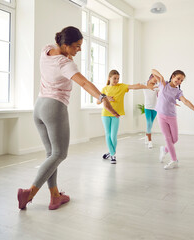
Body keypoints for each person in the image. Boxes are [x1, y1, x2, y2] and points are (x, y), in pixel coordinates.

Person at [17, 26, 119, 210]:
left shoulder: (46, 49)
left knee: (51, 154)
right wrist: (102, 98)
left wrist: (68, 54)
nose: (79, 49)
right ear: (65, 45)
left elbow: (62, 57)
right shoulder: (65, 64)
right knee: (59, 154)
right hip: (54, 108)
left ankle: (55, 196)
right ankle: (29, 193)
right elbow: (84, 83)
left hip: (39, 106)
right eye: (77, 46)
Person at [98, 70, 155, 164]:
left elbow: (135, 86)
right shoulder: (104, 89)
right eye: (114, 78)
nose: (116, 80)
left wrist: (147, 86)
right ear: (109, 78)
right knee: (108, 134)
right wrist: (106, 97)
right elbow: (97, 101)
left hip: (116, 114)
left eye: (118, 78)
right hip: (105, 114)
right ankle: (113, 155)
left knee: (113, 136)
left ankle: (111, 153)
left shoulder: (122, 86)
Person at [151, 69, 194, 170]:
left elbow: (185, 101)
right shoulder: (163, 84)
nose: (179, 82)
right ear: (172, 76)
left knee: (174, 139)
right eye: (178, 78)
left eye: (181, 80)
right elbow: (153, 70)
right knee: (168, 138)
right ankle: (174, 160)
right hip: (161, 116)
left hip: (171, 116)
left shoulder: (178, 91)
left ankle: (165, 149)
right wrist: (161, 77)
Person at [143, 74, 159, 149]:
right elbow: (136, 86)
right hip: (147, 108)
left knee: (150, 124)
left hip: (155, 108)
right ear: (150, 77)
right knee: (149, 123)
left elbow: (159, 96)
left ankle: (146, 135)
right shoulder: (144, 84)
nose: (156, 81)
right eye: (155, 78)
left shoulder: (157, 87)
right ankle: (150, 141)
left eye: (157, 79)